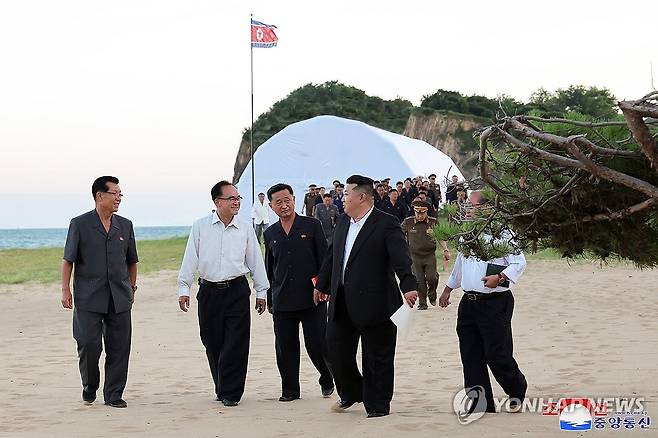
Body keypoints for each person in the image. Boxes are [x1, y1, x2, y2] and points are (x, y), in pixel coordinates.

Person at [313, 174, 418, 418]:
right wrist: (322, 284)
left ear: (361, 197)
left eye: (346, 194)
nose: (342, 197)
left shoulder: (387, 223)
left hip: (377, 302)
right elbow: (333, 257)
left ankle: (378, 405)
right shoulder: (343, 222)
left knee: (377, 357)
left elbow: (401, 258)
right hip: (341, 301)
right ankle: (352, 392)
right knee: (332, 350)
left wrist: (409, 284)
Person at [177, 181, 269, 407]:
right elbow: (191, 257)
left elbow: (255, 260)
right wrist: (183, 287)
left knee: (236, 344)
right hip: (208, 292)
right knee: (212, 342)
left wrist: (261, 291)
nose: (236, 202)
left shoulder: (246, 228)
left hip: (237, 290)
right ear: (217, 202)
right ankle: (222, 386)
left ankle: (232, 393)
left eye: (238, 198)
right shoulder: (200, 226)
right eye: (231, 198)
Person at [61, 176, 138, 408]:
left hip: (120, 297)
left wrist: (131, 289)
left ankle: (114, 394)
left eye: (120, 194)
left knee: (119, 346)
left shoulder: (125, 225)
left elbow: (132, 261)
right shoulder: (80, 224)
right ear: (99, 196)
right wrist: (65, 290)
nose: (118, 198)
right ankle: (89, 384)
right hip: (88, 297)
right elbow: (68, 260)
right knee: (88, 343)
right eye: (115, 194)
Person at [438, 220, 528, 413]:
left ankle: (516, 389)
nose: (469, 210)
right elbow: (459, 266)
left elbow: (519, 262)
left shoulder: (502, 232)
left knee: (497, 354)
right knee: (470, 354)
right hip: (468, 302)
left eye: (474, 205)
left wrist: (501, 277)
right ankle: (480, 402)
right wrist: (447, 289)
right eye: (468, 205)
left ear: (488, 208)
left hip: (495, 302)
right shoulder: (465, 234)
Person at [264, 183, 335, 402]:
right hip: (282, 299)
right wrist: (269, 297)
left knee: (317, 345)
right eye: (278, 202)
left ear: (294, 200)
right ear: (271, 206)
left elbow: (325, 260)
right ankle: (290, 391)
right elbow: (269, 269)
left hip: (312, 298)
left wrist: (324, 288)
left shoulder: (311, 225)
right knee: (285, 348)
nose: (284, 205)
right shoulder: (270, 233)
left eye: (287, 200)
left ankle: (327, 377)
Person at [400, 200, 449, 310]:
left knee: (432, 277)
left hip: (429, 255)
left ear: (426, 212)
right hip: (414, 256)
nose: (420, 215)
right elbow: (398, 234)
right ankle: (422, 303)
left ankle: (432, 293)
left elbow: (441, 237)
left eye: (422, 213)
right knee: (419, 280)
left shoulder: (433, 222)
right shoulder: (408, 222)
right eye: (417, 213)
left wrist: (445, 250)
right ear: (414, 212)